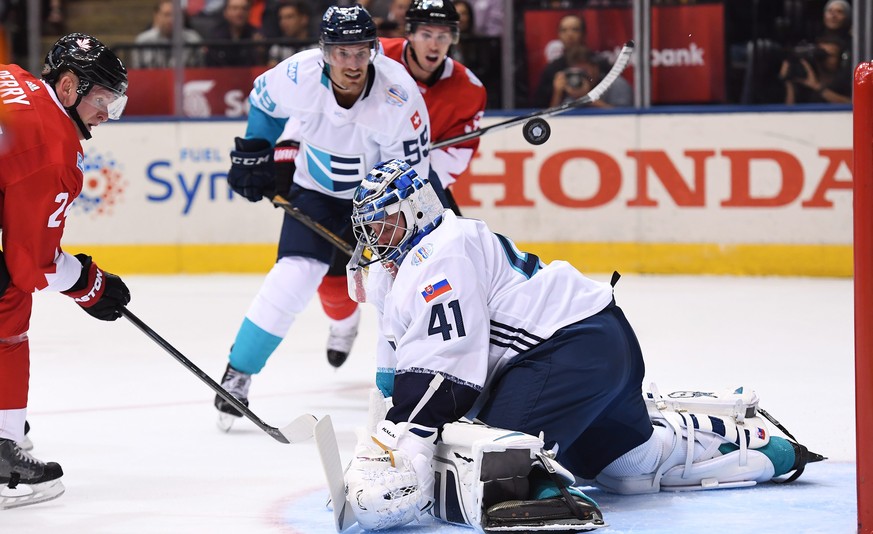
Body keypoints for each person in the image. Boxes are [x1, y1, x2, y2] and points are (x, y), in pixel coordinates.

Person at [341, 158, 825, 530]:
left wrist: (402, 446)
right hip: (598, 342)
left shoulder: (437, 253)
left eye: (384, 223)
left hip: (566, 353)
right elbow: (401, 366)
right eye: (369, 227)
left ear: (418, 209)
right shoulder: (414, 261)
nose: (374, 238)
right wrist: (389, 430)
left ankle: (546, 495)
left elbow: (446, 375)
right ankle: (748, 448)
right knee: (629, 469)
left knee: (495, 465)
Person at [213, 4, 432, 430]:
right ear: (325, 52)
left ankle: (392, 397)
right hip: (312, 192)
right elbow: (265, 102)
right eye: (342, 53)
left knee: (390, 293)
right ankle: (238, 373)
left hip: (378, 203)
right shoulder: (298, 75)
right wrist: (256, 150)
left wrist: (387, 236)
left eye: (361, 52)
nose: (352, 64)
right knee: (292, 277)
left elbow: (409, 179)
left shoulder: (400, 96)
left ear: (373, 50)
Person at [308, 0, 486, 371]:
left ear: (453, 37)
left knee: (452, 260)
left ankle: (444, 348)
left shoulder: (469, 89)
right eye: (425, 34)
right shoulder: (374, 56)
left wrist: (402, 178)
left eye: (443, 35)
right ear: (409, 34)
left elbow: (457, 155)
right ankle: (343, 324)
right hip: (349, 182)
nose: (434, 44)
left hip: (415, 186)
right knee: (330, 270)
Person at [0, 33, 131, 510]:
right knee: (9, 302)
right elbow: (30, 263)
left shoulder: (14, 79)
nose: (106, 114)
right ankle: (2, 454)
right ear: (70, 85)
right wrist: (88, 285)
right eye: (102, 99)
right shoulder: (55, 152)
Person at [549, 44, 631, 108]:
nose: (581, 75)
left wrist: (586, 98)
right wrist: (557, 94)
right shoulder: (574, 86)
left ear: (595, 68)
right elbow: (554, 120)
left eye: (584, 70)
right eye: (577, 71)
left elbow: (624, 118)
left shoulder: (617, 85)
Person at [779, 33, 852, 104]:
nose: (825, 58)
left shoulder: (846, 80)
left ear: (840, 58)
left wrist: (817, 86)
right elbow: (789, 110)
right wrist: (787, 81)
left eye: (830, 55)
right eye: (822, 54)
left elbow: (851, 104)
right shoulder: (806, 74)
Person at [532, 13, 586, 107]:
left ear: (583, 34)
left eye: (575, 29)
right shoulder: (551, 70)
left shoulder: (597, 64)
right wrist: (557, 93)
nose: (569, 34)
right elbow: (539, 112)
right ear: (559, 35)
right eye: (564, 30)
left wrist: (588, 96)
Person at [132, 0, 205, 69]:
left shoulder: (193, 39)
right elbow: (137, 71)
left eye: (176, 15)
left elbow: (200, 70)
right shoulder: (143, 41)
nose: (171, 19)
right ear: (157, 16)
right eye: (167, 15)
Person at [203, 0, 264, 66]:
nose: (239, 13)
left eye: (244, 9)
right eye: (235, 8)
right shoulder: (214, 37)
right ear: (225, 12)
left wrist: (260, 52)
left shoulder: (256, 36)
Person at [265, 0, 315, 67]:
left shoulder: (316, 48)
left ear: (304, 19)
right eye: (281, 18)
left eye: (289, 17)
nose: (283, 22)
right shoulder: (277, 50)